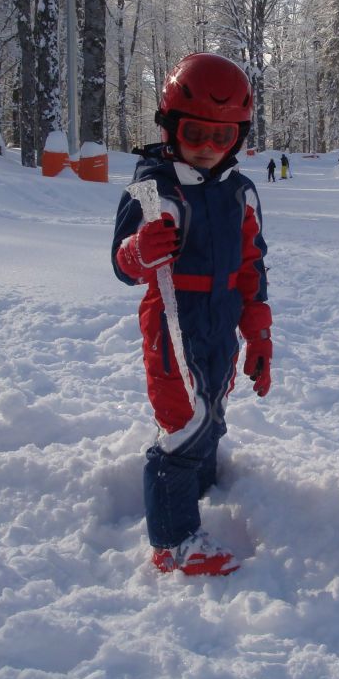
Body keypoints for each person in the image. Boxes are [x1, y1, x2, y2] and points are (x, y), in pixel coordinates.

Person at [111, 53, 273, 577]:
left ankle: (197, 481)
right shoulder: (153, 187)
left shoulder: (240, 193)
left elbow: (252, 266)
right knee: (184, 421)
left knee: (215, 408)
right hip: (173, 320)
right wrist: (142, 247)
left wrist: (259, 336)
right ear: (170, 125)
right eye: (196, 132)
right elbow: (123, 264)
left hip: (221, 318)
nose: (207, 147)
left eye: (223, 137)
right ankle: (173, 540)